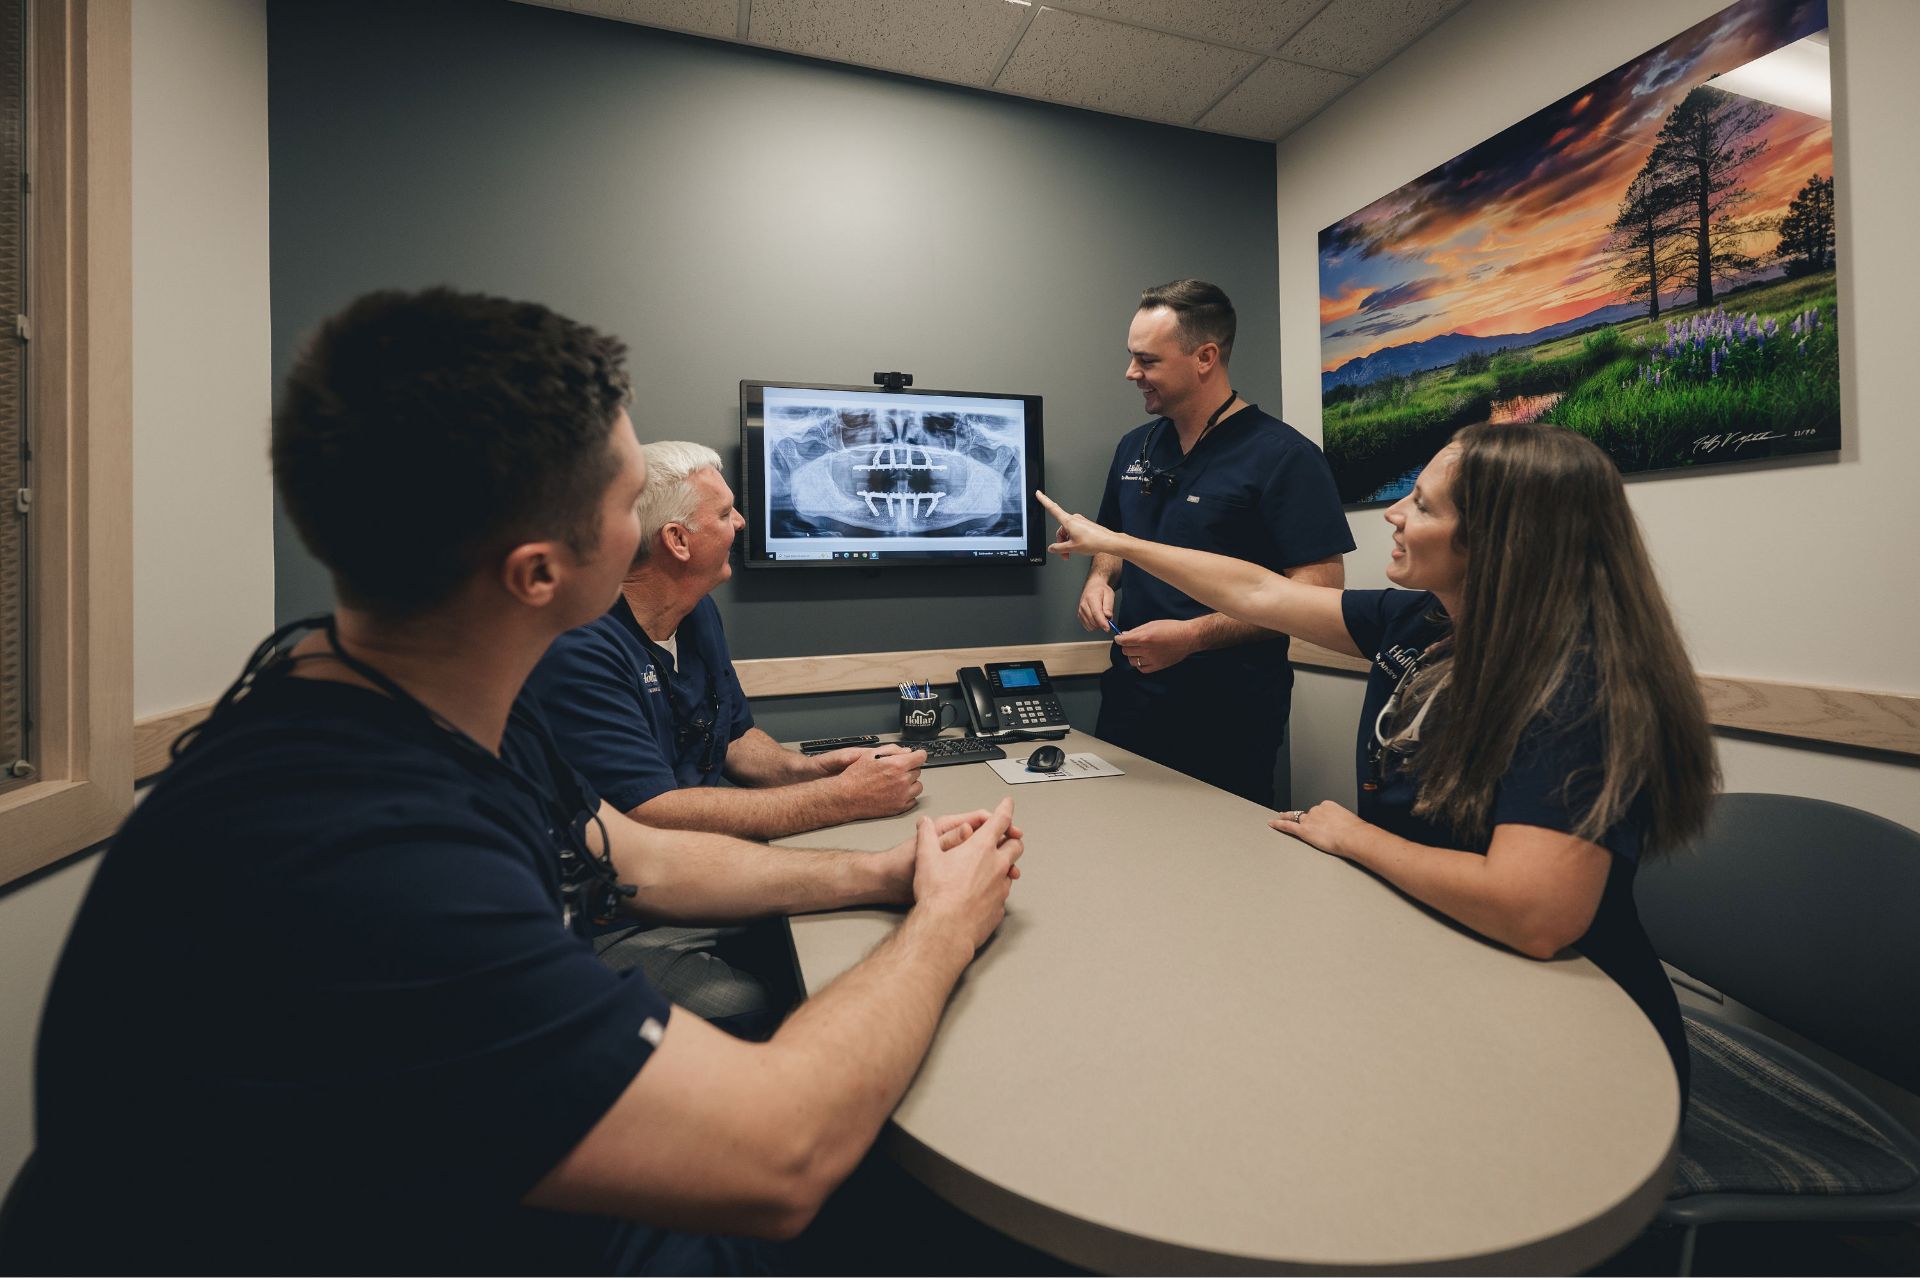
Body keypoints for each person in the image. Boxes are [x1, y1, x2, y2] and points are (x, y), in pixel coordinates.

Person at [4, 289, 1023, 1274]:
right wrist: (942, 925)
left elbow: (642, 858)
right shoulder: (355, 854)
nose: (645, 535)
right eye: (629, 505)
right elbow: (781, 1153)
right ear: (540, 573)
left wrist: (885, 873)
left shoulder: (404, 697)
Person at [1038, 421, 1716, 1097]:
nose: (1392, 513)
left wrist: (1357, 838)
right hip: (1448, 966)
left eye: (1421, 504)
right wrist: (1118, 544)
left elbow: (1532, 913)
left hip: (1577, 1033)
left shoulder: (1576, 686)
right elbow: (1257, 593)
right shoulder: (1419, 621)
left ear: (1498, 540)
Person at [528, 440, 926, 1031]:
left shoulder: (695, 611)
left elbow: (736, 737)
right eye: (724, 513)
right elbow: (651, 815)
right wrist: (841, 800)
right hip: (621, 911)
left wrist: (811, 770)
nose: (741, 522)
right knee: (754, 1002)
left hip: (708, 868)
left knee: (857, 937)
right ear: (677, 541)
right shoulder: (581, 647)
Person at [1082, 279, 1352, 807]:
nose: (1131, 374)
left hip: (1228, 713)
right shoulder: (1135, 446)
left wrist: (1193, 636)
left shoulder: (1282, 456)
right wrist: (1099, 577)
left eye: (1147, 361)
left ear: (1205, 356)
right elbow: (1112, 539)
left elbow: (1318, 590)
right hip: (1129, 700)